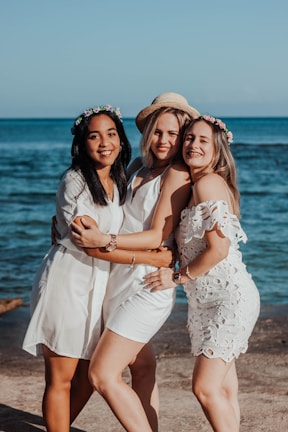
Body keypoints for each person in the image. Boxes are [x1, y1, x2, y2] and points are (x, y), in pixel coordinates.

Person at [22, 104, 172, 432]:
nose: (105, 142)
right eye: (94, 136)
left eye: (111, 133)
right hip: (68, 283)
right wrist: (154, 258)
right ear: (81, 144)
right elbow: (90, 243)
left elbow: (109, 234)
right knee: (61, 378)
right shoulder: (75, 181)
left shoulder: (121, 177)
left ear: (121, 140)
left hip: (101, 286)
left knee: (90, 378)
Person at [70, 93, 200, 431]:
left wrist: (105, 242)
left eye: (173, 134)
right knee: (142, 367)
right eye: (158, 131)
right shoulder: (137, 167)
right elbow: (111, 209)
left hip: (147, 283)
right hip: (119, 279)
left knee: (102, 374)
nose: (163, 140)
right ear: (148, 133)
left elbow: (158, 235)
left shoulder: (177, 174)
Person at [143, 115, 260, 431]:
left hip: (229, 299)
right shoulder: (197, 184)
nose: (193, 145)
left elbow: (218, 250)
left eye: (202, 140)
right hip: (205, 304)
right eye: (189, 138)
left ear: (217, 148)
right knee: (223, 389)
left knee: (205, 388)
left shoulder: (208, 183)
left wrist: (177, 278)